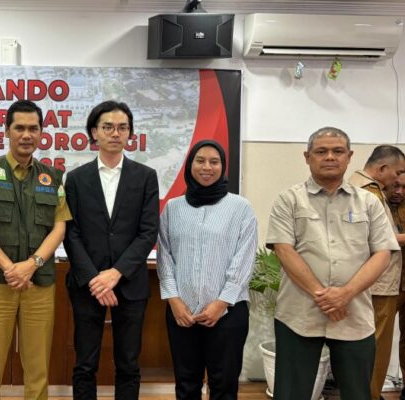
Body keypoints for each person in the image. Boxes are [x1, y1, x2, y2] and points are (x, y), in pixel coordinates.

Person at [266, 127, 399, 400]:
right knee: (291, 394)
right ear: (307, 157)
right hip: (299, 315)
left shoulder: (368, 203)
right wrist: (326, 297)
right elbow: (284, 250)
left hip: (354, 315)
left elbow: (382, 253)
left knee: (358, 393)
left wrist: (345, 294)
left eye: (337, 151)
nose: (330, 157)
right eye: (321, 151)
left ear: (349, 156)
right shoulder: (288, 200)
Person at [0, 100, 72, 400]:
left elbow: (59, 228)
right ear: (6, 131)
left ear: (41, 133)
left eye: (33, 128)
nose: (27, 135)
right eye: (19, 128)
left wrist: (31, 264)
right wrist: (10, 268)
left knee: (38, 366)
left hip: (39, 282)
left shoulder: (53, 177)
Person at [62, 100, 159, 399]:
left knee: (128, 364)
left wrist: (115, 274)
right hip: (87, 285)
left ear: (130, 133)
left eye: (122, 127)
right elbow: (71, 233)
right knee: (84, 364)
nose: (115, 133)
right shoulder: (76, 179)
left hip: (129, 283)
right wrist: (95, 279)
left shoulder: (145, 176)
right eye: (108, 127)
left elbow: (148, 232)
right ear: (95, 132)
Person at [157, 140, 257, 400]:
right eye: (200, 161)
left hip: (228, 313)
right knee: (186, 384)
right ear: (190, 165)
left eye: (214, 162)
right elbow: (165, 256)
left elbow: (244, 258)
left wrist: (221, 303)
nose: (207, 167)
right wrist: (174, 300)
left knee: (223, 386)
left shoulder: (240, 208)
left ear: (223, 167)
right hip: (182, 313)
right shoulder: (173, 208)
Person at [347, 145, 405, 400]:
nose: (398, 180)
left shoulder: (361, 187)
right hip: (379, 281)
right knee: (377, 347)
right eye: (398, 172)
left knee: (369, 344)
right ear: (383, 168)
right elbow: (384, 239)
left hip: (374, 280)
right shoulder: (368, 191)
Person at [385, 173, 405, 400]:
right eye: (395, 185)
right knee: (378, 339)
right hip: (385, 283)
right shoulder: (375, 201)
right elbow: (382, 238)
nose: (399, 192)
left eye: (404, 188)